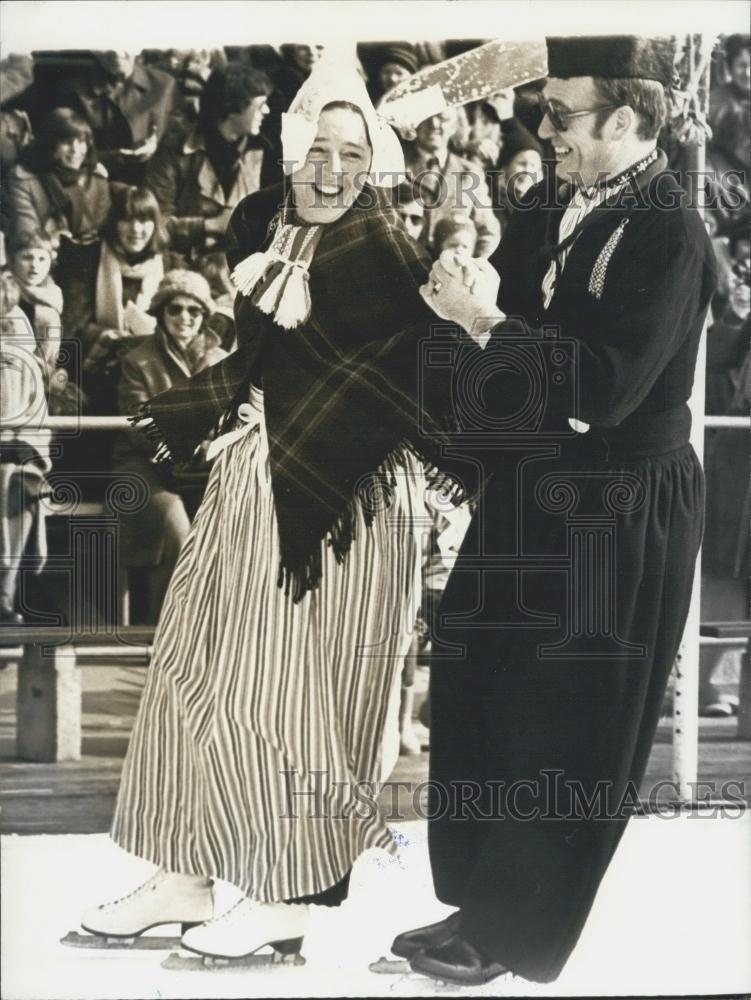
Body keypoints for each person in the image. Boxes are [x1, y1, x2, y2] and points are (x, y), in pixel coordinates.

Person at [77, 59, 461, 963]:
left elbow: (425, 382)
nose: (331, 170)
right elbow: (261, 362)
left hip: (340, 503)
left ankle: (288, 893)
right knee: (190, 671)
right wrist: (206, 410)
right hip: (255, 485)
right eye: (316, 150)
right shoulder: (279, 232)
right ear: (291, 155)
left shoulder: (387, 250)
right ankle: (183, 870)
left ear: (377, 165)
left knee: (288, 698)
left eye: (351, 154)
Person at [392, 35, 717, 987]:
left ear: (626, 120)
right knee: (482, 679)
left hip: (618, 503)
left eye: (562, 116)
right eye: (541, 112)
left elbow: (600, 389)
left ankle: (511, 932)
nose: (542, 132)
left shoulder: (669, 231)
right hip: (532, 482)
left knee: (561, 717)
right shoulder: (549, 204)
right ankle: (479, 900)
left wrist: (486, 321)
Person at [113, 270, 226, 624]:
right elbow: (140, 424)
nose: (185, 318)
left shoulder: (222, 359)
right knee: (174, 527)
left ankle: (220, 634)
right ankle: (166, 632)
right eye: (175, 309)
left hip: (206, 465)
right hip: (145, 466)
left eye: (194, 311)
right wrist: (191, 443)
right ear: (161, 312)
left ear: (205, 316)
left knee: (237, 521)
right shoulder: (138, 360)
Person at [145, 64, 278, 267]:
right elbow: (152, 223)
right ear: (233, 107)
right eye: (260, 105)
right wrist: (210, 226)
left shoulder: (264, 151)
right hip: (182, 266)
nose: (266, 111)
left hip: (244, 269)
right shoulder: (175, 151)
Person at [59, 184, 167, 414]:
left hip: (150, 371)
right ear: (114, 223)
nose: (136, 229)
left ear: (155, 224)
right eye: (127, 220)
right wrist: (107, 337)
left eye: (144, 220)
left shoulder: (166, 264)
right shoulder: (87, 259)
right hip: (98, 370)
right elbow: (72, 327)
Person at [0, 272, 52, 626]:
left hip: (13, 450)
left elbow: (36, 424)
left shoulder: (21, 356)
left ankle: (4, 594)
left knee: (23, 486)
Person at [6, 108, 111, 250]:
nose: (75, 150)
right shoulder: (23, 179)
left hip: (83, 258)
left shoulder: (96, 179)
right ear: (51, 146)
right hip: (38, 258)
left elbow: (97, 229)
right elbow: (26, 233)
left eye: (81, 142)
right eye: (67, 143)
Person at [403, 107, 500, 257]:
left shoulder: (470, 173)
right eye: (427, 117)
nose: (434, 124)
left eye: (443, 118)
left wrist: (475, 269)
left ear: (454, 126)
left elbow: (488, 233)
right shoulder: (396, 166)